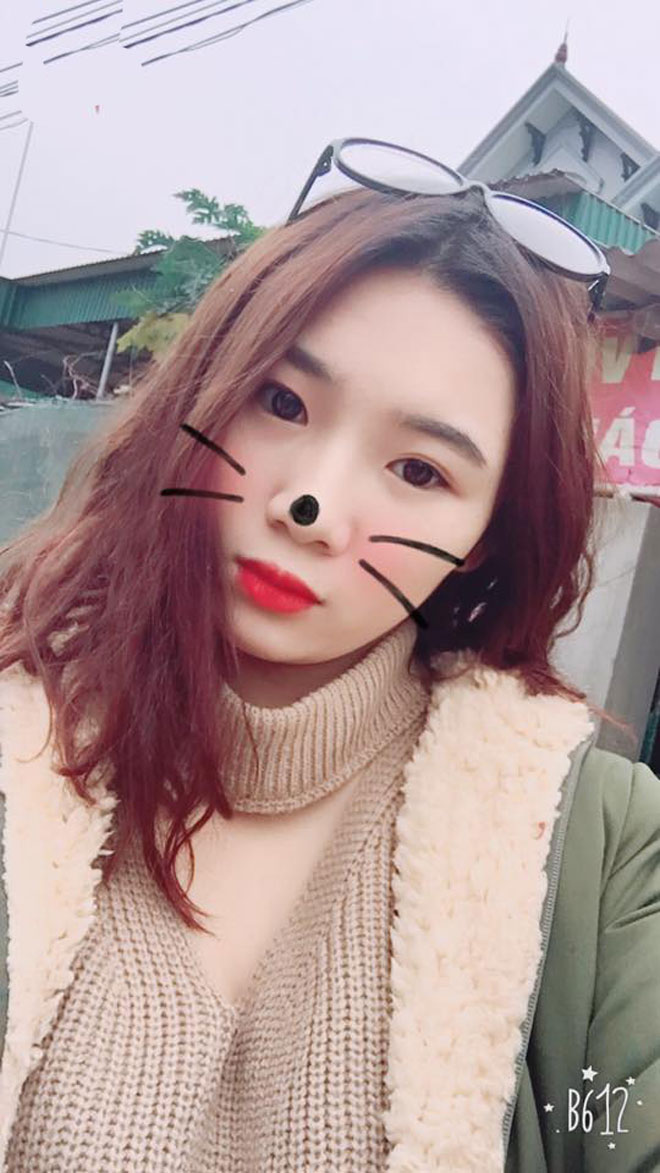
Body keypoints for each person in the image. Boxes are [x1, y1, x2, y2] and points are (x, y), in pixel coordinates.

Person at [0, 138, 659, 1173]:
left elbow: (609, 1127)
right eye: (283, 403)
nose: (309, 504)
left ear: (486, 535)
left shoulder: (597, 846)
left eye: (419, 470)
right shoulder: (17, 732)